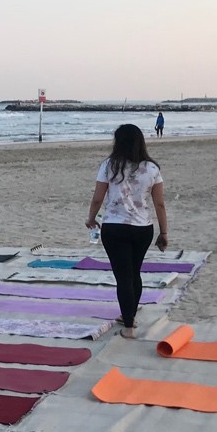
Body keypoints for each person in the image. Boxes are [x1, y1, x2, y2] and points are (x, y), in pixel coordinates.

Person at [86, 124, 168, 339]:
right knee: (134, 272)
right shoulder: (152, 168)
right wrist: (164, 232)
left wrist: (91, 218)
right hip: (143, 228)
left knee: (123, 276)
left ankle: (130, 325)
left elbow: (98, 197)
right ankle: (129, 314)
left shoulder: (109, 165)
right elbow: (159, 204)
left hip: (114, 227)